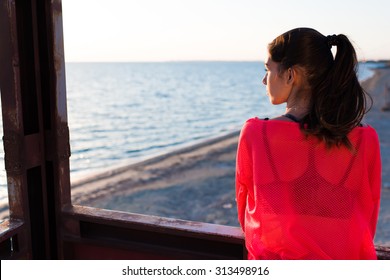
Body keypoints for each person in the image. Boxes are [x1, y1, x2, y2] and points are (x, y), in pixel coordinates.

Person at [235, 28, 381, 259]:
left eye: (268, 69)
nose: (264, 80)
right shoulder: (366, 139)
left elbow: (247, 215)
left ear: (291, 75)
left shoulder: (256, 134)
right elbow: (368, 214)